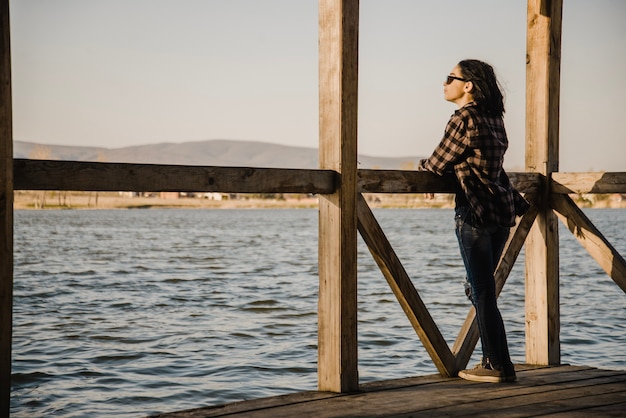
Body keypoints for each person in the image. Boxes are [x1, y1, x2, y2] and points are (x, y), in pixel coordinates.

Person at [418, 59, 529, 383]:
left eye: (450, 77)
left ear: (467, 85)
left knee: (481, 291)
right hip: (500, 213)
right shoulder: (494, 118)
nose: (444, 83)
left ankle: (499, 367)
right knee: (481, 290)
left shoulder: (464, 117)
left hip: (474, 211)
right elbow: (478, 161)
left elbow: (439, 161)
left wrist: (425, 167)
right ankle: (492, 361)